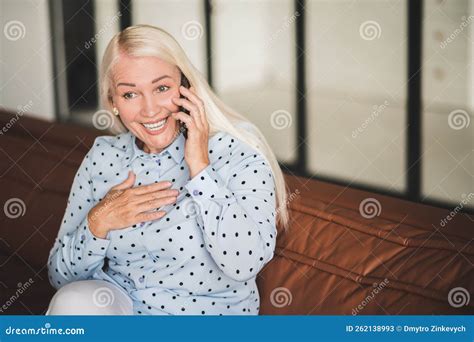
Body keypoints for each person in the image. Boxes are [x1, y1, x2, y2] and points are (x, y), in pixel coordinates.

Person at [46, 24, 290, 315]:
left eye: (161, 88)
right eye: (130, 95)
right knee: (72, 301)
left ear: (185, 87)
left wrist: (200, 168)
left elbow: (245, 263)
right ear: (113, 102)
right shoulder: (103, 156)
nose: (149, 110)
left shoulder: (237, 152)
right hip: (122, 311)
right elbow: (59, 277)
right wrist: (99, 222)